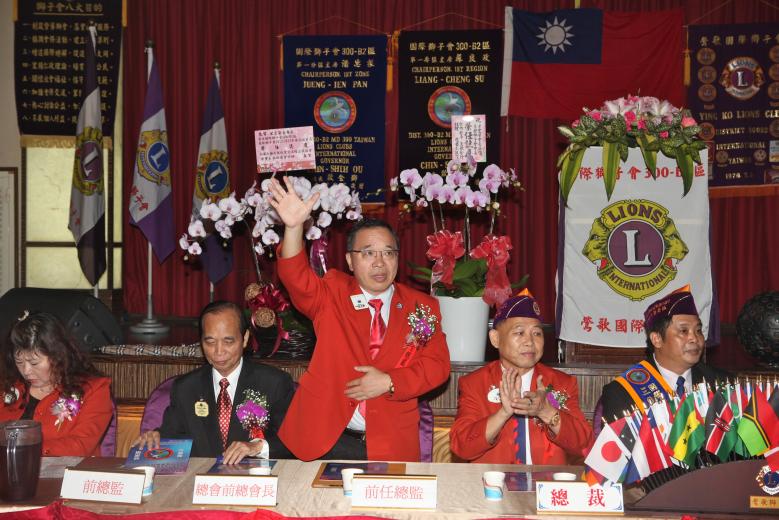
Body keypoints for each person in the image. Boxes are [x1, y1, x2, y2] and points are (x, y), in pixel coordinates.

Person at [268, 176, 451, 461]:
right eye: (368, 253)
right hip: (324, 440)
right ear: (350, 261)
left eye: (388, 253)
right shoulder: (332, 292)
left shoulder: (422, 307)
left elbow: (438, 366)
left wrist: (390, 381)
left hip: (390, 443)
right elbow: (296, 278)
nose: (379, 262)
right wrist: (293, 229)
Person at [132, 301, 295, 463]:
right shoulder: (186, 388)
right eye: (210, 342)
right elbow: (171, 436)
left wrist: (257, 447)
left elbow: (293, 442)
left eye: (228, 341)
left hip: (253, 477)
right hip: (199, 477)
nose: (218, 351)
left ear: (245, 338)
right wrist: (155, 437)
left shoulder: (274, 383)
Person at [450, 290, 592, 464]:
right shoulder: (474, 384)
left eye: (537, 333)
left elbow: (584, 444)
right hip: (493, 479)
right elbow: (462, 447)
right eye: (519, 333)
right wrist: (503, 413)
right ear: (495, 339)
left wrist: (547, 412)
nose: (529, 342)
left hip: (546, 480)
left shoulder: (561, 383)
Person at [598, 286, 731, 423]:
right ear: (657, 339)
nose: (694, 339)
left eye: (698, 330)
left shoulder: (723, 383)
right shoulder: (623, 392)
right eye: (684, 331)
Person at [0, 311, 113, 456]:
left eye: (34, 363)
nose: (26, 371)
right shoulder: (8, 386)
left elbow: (81, 445)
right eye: (19, 362)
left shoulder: (93, 389)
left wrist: (24, 449)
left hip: (66, 469)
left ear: (58, 356)